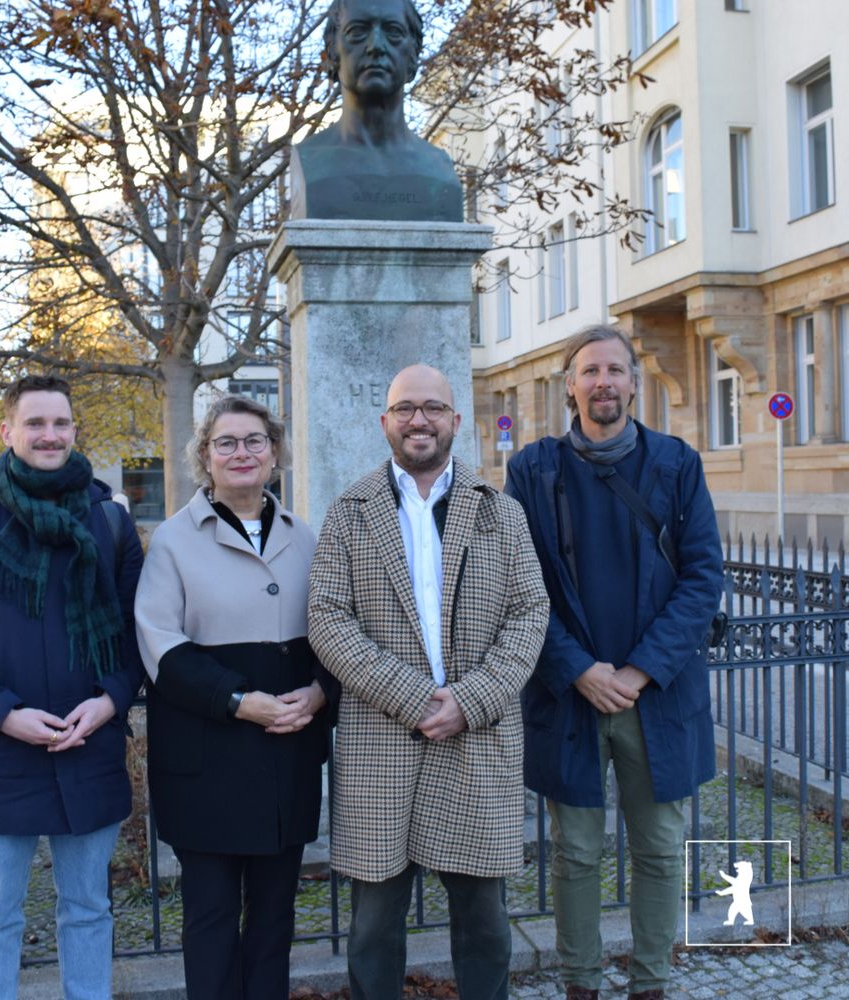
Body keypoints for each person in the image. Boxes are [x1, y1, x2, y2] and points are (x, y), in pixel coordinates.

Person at [308, 364, 549, 999]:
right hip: (380, 743)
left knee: (484, 924)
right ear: (385, 422)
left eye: (434, 408)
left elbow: (530, 614)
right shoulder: (350, 512)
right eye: (406, 408)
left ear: (455, 421)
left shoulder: (502, 513)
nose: (420, 420)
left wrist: (469, 701)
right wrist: (415, 700)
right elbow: (328, 621)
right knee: (373, 929)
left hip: (476, 739)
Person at [504, 325, 724, 1000]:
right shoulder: (533, 470)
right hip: (571, 696)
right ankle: (580, 984)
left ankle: (651, 982)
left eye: (615, 370)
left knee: (659, 849)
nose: (603, 381)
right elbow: (520, 583)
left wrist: (639, 671)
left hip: (655, 695)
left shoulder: (676, 464)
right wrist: (576, 668)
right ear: (569, 386)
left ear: (634, 381)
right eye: (589, 370)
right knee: (574, 855)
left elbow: (702, 576)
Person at [0, 375, 145, 1000]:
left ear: (76, 431)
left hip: (90, 749)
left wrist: (109, 701)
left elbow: (137, 636)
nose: (50, 435)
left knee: (88, 910)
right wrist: (3, 713)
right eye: (35, 423)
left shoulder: (110, 525)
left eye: (61, 424)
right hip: (2, 755)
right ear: (8, 432)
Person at [134, 395, 333, 1000]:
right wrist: (238, 699)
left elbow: (335, 632)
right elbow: (161, 647)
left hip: (286, 761)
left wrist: (322, 693)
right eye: (227, 442)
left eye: (254, 440)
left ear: (275, 453)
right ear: (206, 457)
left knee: (275, 919)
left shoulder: (308, 538)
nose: (241, 452)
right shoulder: (172, 542)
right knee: (213, 920)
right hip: (206, 763)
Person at [290, 0, 462, 221]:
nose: (376, 46)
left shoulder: (439, 169)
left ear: (413, 55)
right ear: (333, 53)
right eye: (357, 31)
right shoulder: (311, 160)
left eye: (394, 32)